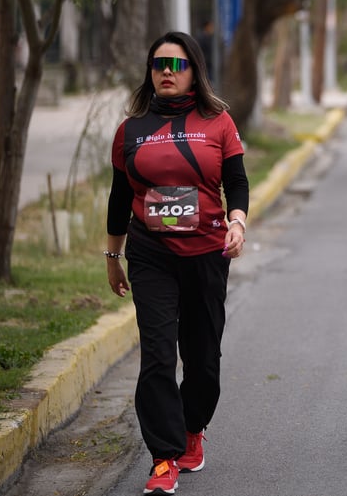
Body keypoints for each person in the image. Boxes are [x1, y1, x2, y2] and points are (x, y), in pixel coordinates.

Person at [105, 31, 249, 494]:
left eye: (177, 64)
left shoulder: (218, 121)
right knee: (158, 354)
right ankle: (164, 458)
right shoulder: (131, 129)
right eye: (159, 65)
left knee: (203, 358)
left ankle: (193, 427)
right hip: (152, 254)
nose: (167, 72)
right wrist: (113, 255)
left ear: (194, 71)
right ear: (150, 73)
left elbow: (237, 181)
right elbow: (119, 196)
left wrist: (238, 223)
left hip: (208, 252)